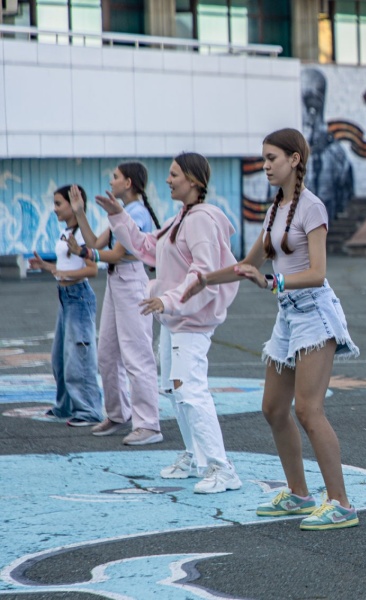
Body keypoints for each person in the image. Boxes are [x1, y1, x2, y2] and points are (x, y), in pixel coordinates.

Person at [183, 128, 362, 529]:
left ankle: (341, 503)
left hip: (314, 313)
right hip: (288, 314)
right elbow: (247, 265)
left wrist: (272, 282)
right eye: (263, 158)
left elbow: (317, 273)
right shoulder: (275, 209)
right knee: (273, 408)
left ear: (294, 160)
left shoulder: (312, 208)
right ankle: (299, 495)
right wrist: (203, 280)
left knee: (309, 410)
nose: (264, 165)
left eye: (271, 158)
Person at [96, 152, 242, 494]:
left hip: (190, 321)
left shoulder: (201, 220)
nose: (167, 180)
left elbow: (202, 272)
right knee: (176, 392)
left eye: (174, 174)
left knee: (191, 390)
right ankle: (195, 456)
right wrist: (119, 216)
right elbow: (149, 248)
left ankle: (221, 468)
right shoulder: (182, 217)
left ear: (194, 181)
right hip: (176, 319)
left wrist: (169, 299)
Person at [66, 163, 164, 445]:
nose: (111, 181)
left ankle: (149, 425)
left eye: (115, 177)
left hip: (131, 283)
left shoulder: (137, 213)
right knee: (107, 353)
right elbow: (96, 242)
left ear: (128, 182)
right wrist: (80, 213)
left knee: (137, 354)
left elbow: (117, 254)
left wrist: (86, 253)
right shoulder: (123, 211)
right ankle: (118, 414)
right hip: (116, 282)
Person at [28, 185, 103, 427]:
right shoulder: (66, 232)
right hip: (66, 297)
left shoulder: (81, 235)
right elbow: (65, 269)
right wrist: (46, 266)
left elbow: (92, 270)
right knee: (59, 358)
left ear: (73, 205)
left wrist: (64, 274)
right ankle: (65, 406)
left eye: (59, 203)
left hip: (78, 298)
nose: (55, 209)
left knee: (79, 358)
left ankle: (89, 410)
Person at [302, 67, 354, 222]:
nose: (311, 113)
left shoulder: (335, 154)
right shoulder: (285, 154)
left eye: (315, 103)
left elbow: (346, 194)